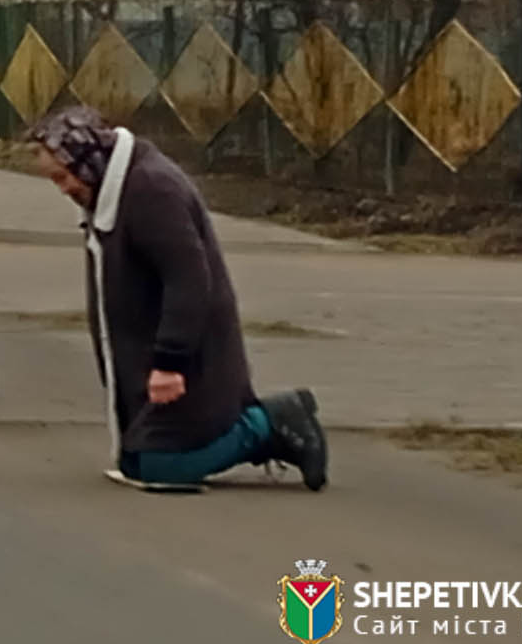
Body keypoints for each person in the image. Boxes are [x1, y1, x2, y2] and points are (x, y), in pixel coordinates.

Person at [27, 106, 327, 491]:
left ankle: (270, 424)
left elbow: (188, 278)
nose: (64, 188)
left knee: (158, 466)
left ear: (87, 159)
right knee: (136, 461)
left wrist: (170, 361)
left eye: (63, 176)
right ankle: (263, 425)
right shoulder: (112, 190)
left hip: (191, 357)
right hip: (150, 353)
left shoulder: (151, 190)